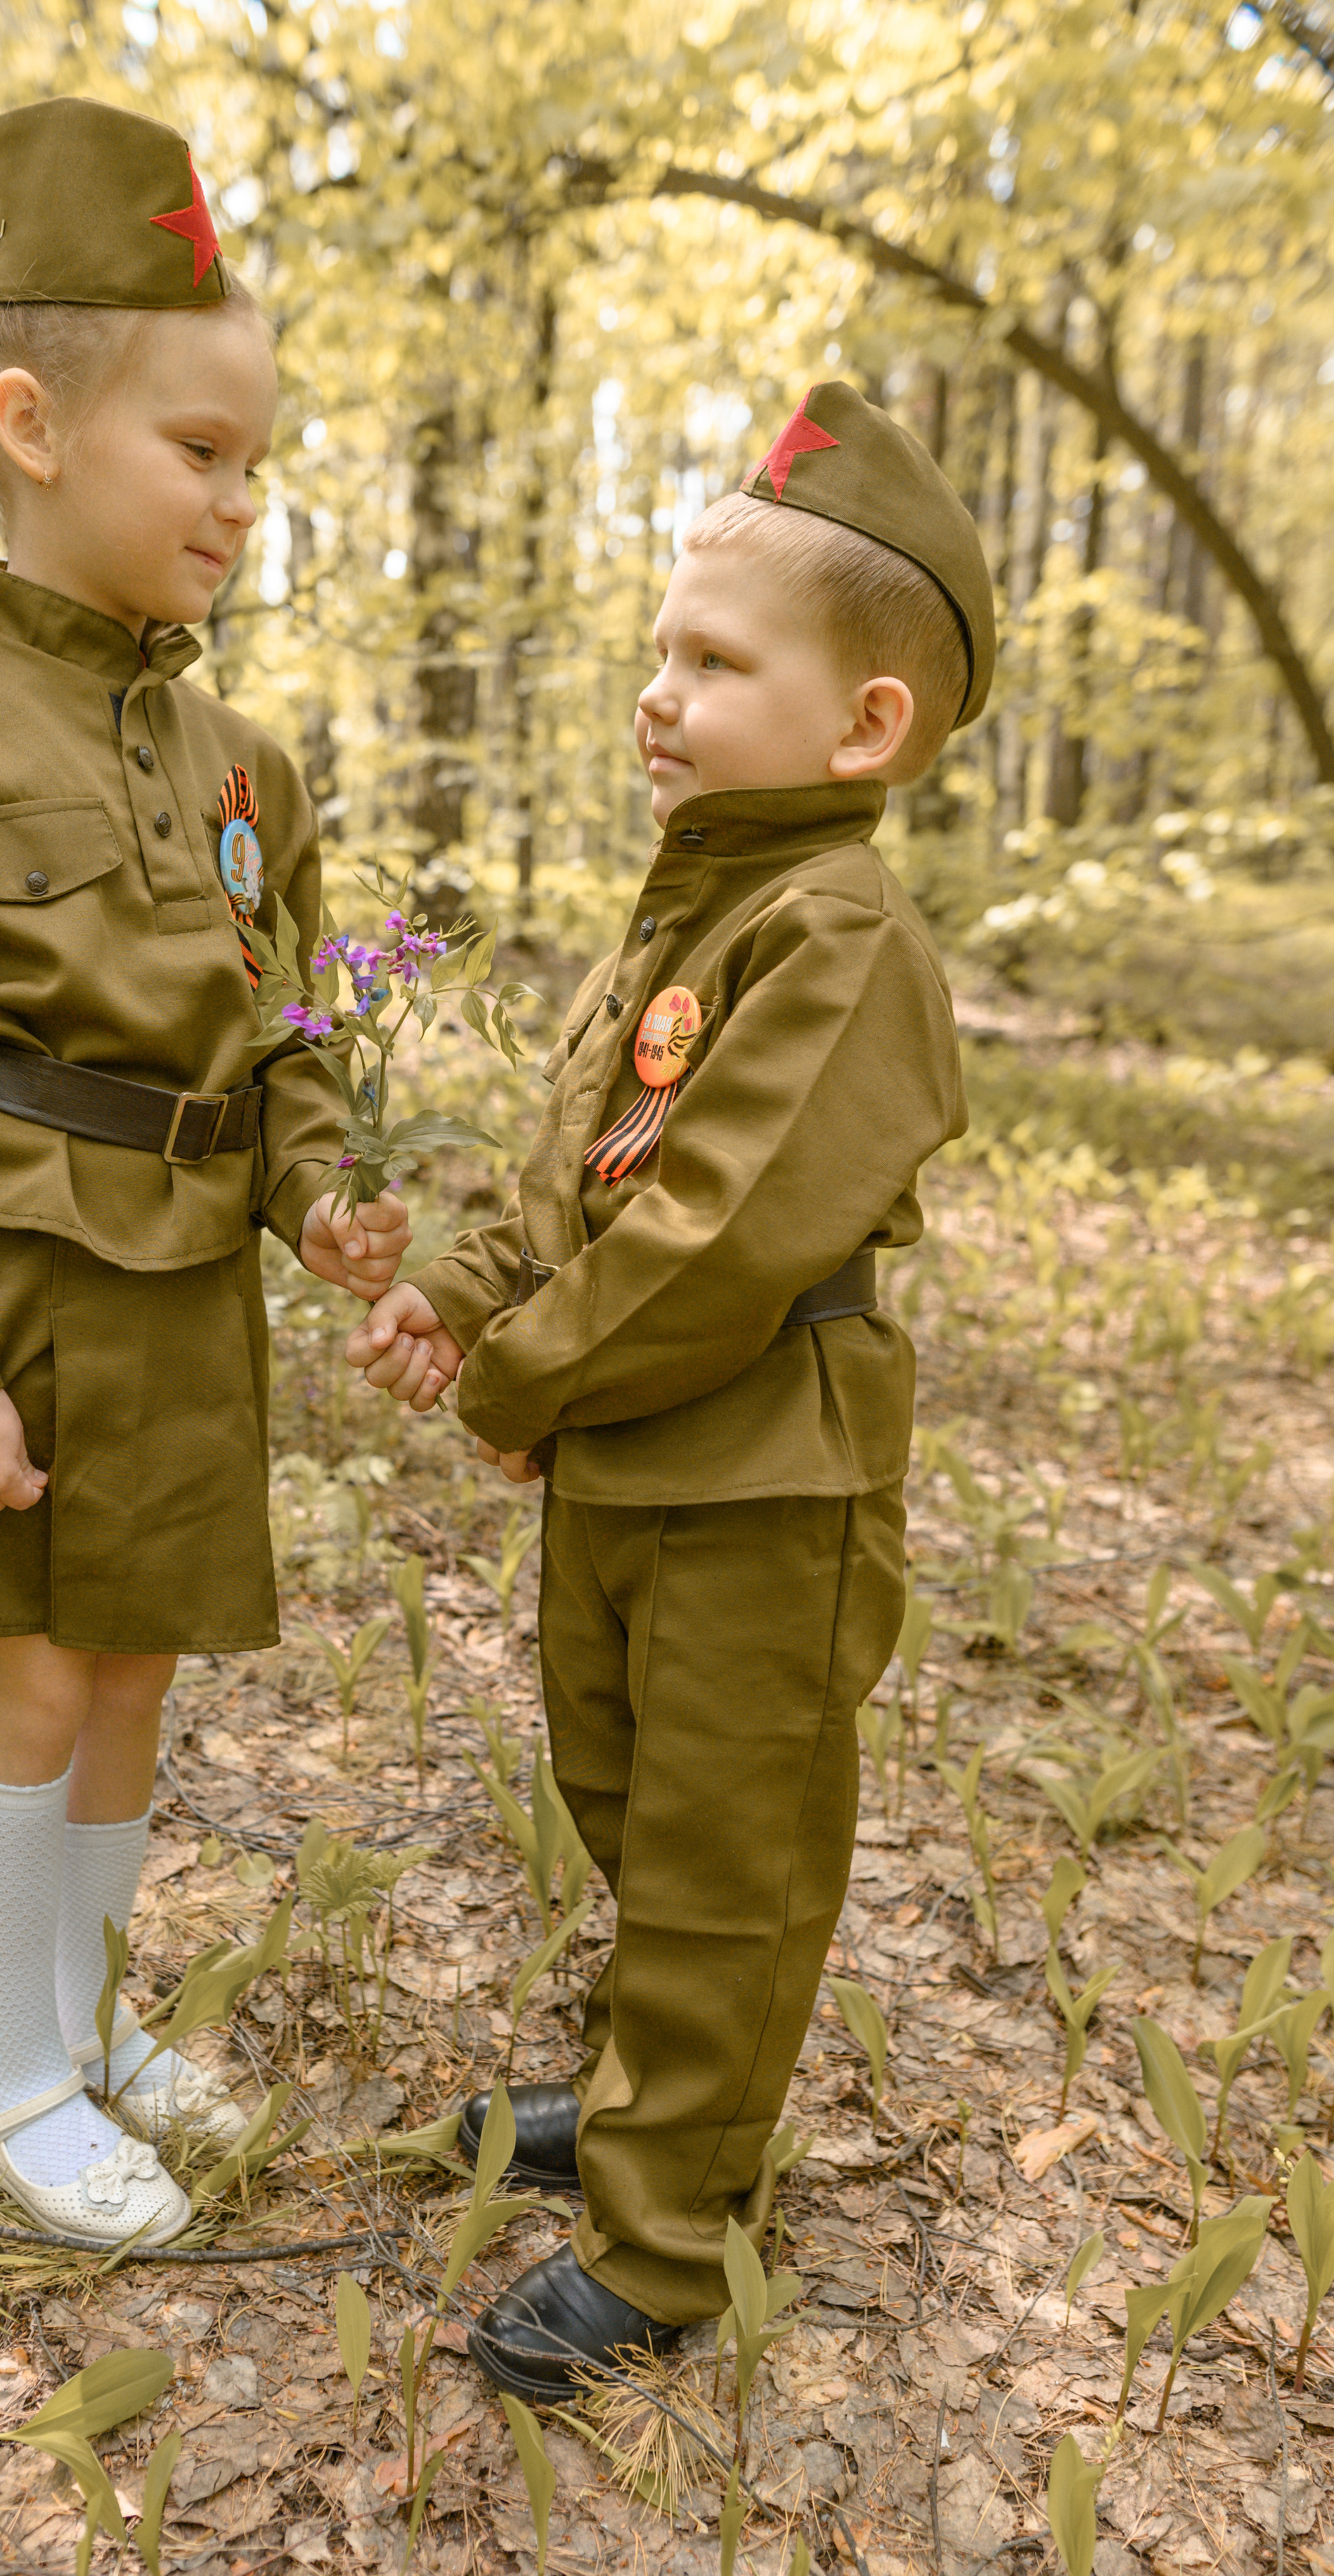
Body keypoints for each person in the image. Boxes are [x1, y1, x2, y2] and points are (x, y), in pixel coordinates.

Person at [0, 98, 408, 2250]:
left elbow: (287, 1028)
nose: (244, 499)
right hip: (19, 1296)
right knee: (35, 1681)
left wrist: (321, 1194)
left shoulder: (254, 764)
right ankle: (12, 2076)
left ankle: (90, 2015)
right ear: (34, 425)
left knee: (134, 1668)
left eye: (257, 460)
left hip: (185, 1300)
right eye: (204, 453)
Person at [347, 382, 986, 2395]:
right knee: (624, 1794)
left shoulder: (843, 934)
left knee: (725, 1849)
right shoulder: (703, 902)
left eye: (713, 661)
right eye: (658, 651)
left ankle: (669, 2239)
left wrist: (517, 1380)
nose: (658, 691)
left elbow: (718, 1235)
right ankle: (654, 2104)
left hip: (755, 1483)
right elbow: (582, 1166)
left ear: (864, 724)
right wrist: (467, 1289)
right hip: (636, 1466)